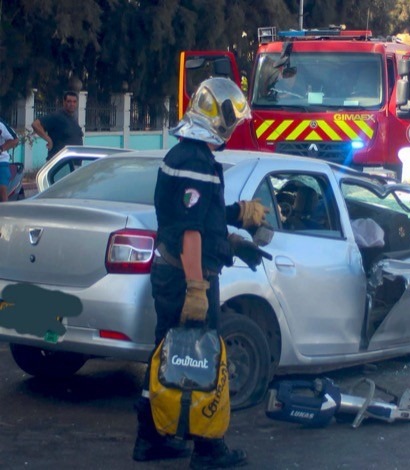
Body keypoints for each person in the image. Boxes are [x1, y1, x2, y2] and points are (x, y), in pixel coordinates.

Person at [132, 77, 269, 469]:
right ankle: (209, 448)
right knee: (202, 355)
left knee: (166, 354)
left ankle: (151, 438)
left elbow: (196, 217)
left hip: (171, 272)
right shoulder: (196, 162)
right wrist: (196, 287)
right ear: (218, 117)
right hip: (187, 276)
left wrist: (234, 223)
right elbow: (190, 232)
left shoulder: (182, 155)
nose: (233, 129)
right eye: (232, 122)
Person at [32, 91, 84, 161]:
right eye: (69, 101)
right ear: (64, 102)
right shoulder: (57, 116)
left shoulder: (73, 119)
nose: (72, 104)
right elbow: (35, 124)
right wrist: (49, 140)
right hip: (60, 162)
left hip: (73, 163)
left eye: (74, 102)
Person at [0, 119, 20, 202]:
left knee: (2, 189)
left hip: (1, 161)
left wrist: (1, 149)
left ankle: (5, 208)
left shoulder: (1, 124)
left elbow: (14, 140)